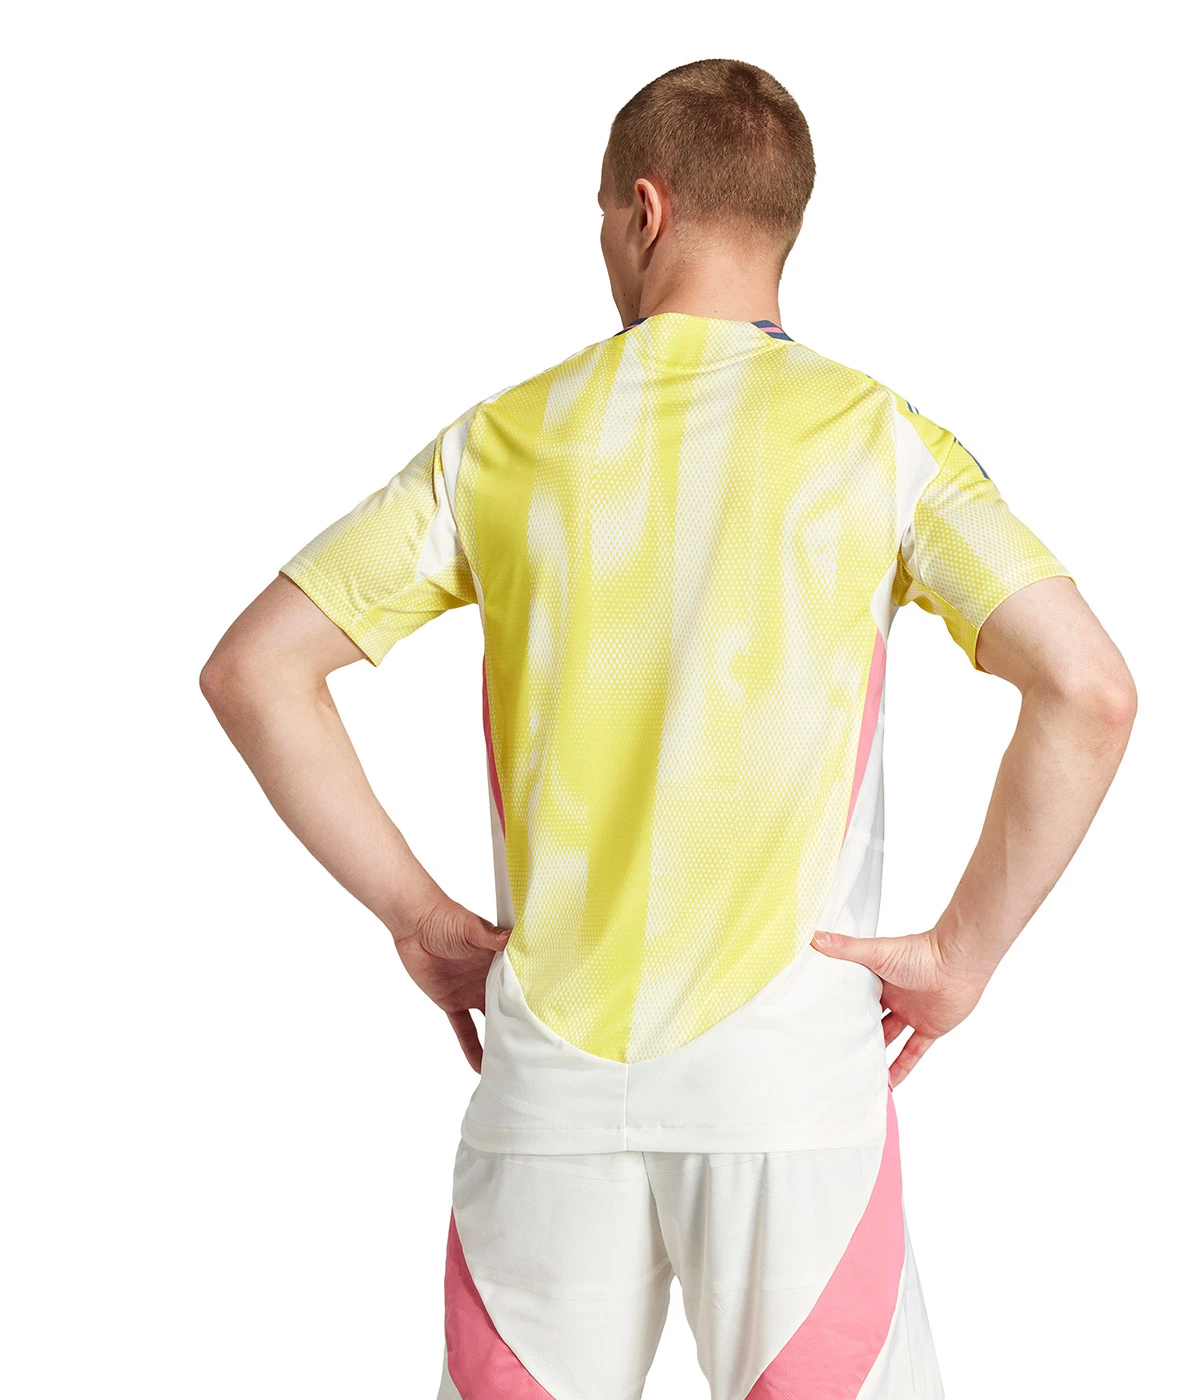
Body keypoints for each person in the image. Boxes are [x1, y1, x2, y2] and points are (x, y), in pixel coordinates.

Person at [201, 57, 1135, 1400]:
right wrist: (959, 957)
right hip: (790, 1083)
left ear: (644, 210)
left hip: (550, 1084)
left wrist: (420, 920)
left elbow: (257, 672)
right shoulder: (879, 440)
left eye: (601, 215)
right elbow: (1089, 690)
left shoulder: (501, 441)